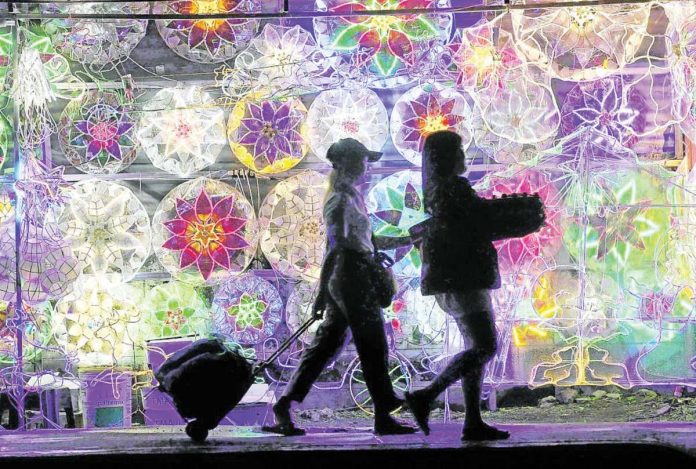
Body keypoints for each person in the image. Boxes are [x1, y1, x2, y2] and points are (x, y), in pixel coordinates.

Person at [266, 138, 416, 436]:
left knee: (326, 347)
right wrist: (323, 292)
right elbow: (335, 249)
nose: (367, 166)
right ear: (348, 163)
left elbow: (364, 244)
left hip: (351, 275)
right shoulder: (340, 201)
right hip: (350, 277)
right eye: (362, 160)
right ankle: (384, 413)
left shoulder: (352, 198)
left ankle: (284, 404)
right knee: (373, 343)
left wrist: (408, 239)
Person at [405, 130, 512, 441]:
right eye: (460, 150)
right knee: (485, 345)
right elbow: (480, 221)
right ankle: (427, 395)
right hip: (465, 279)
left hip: (454, 280)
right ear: (449, 157)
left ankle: (473, 420)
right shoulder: (455, 189)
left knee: (473, 348)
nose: (465, 156)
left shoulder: (438, 190)